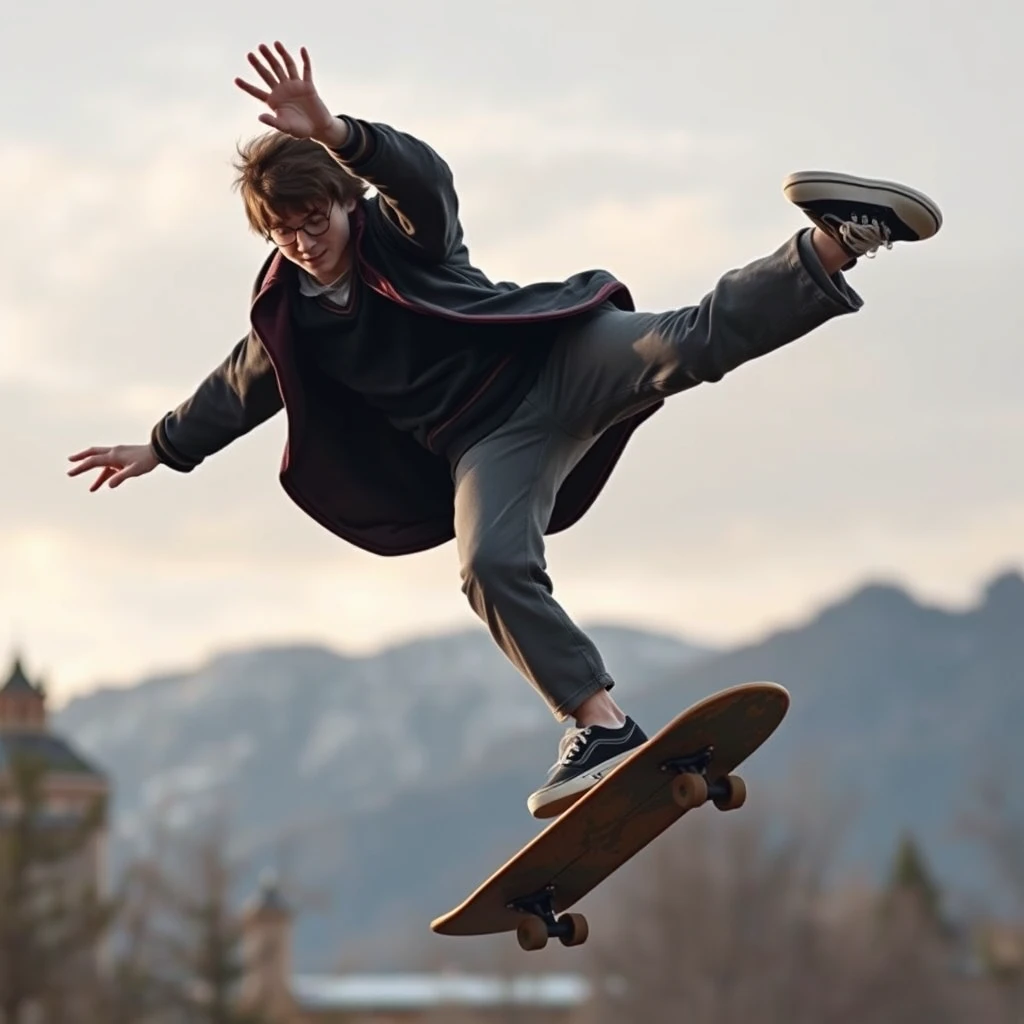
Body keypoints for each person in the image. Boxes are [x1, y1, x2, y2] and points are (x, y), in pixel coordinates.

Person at [68, 41, 943, 819]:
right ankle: (601, 728)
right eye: (284, 231)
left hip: (550, 356)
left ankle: (841, 240)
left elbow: (425, 180)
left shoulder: (398, 233)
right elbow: (239, 386)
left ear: (343, 205)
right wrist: (162, 445)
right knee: (487, 563)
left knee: (687, 343)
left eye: (315, 221)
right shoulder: (288, 314)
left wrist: (339, 133)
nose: (304, 243)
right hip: (490, 445)